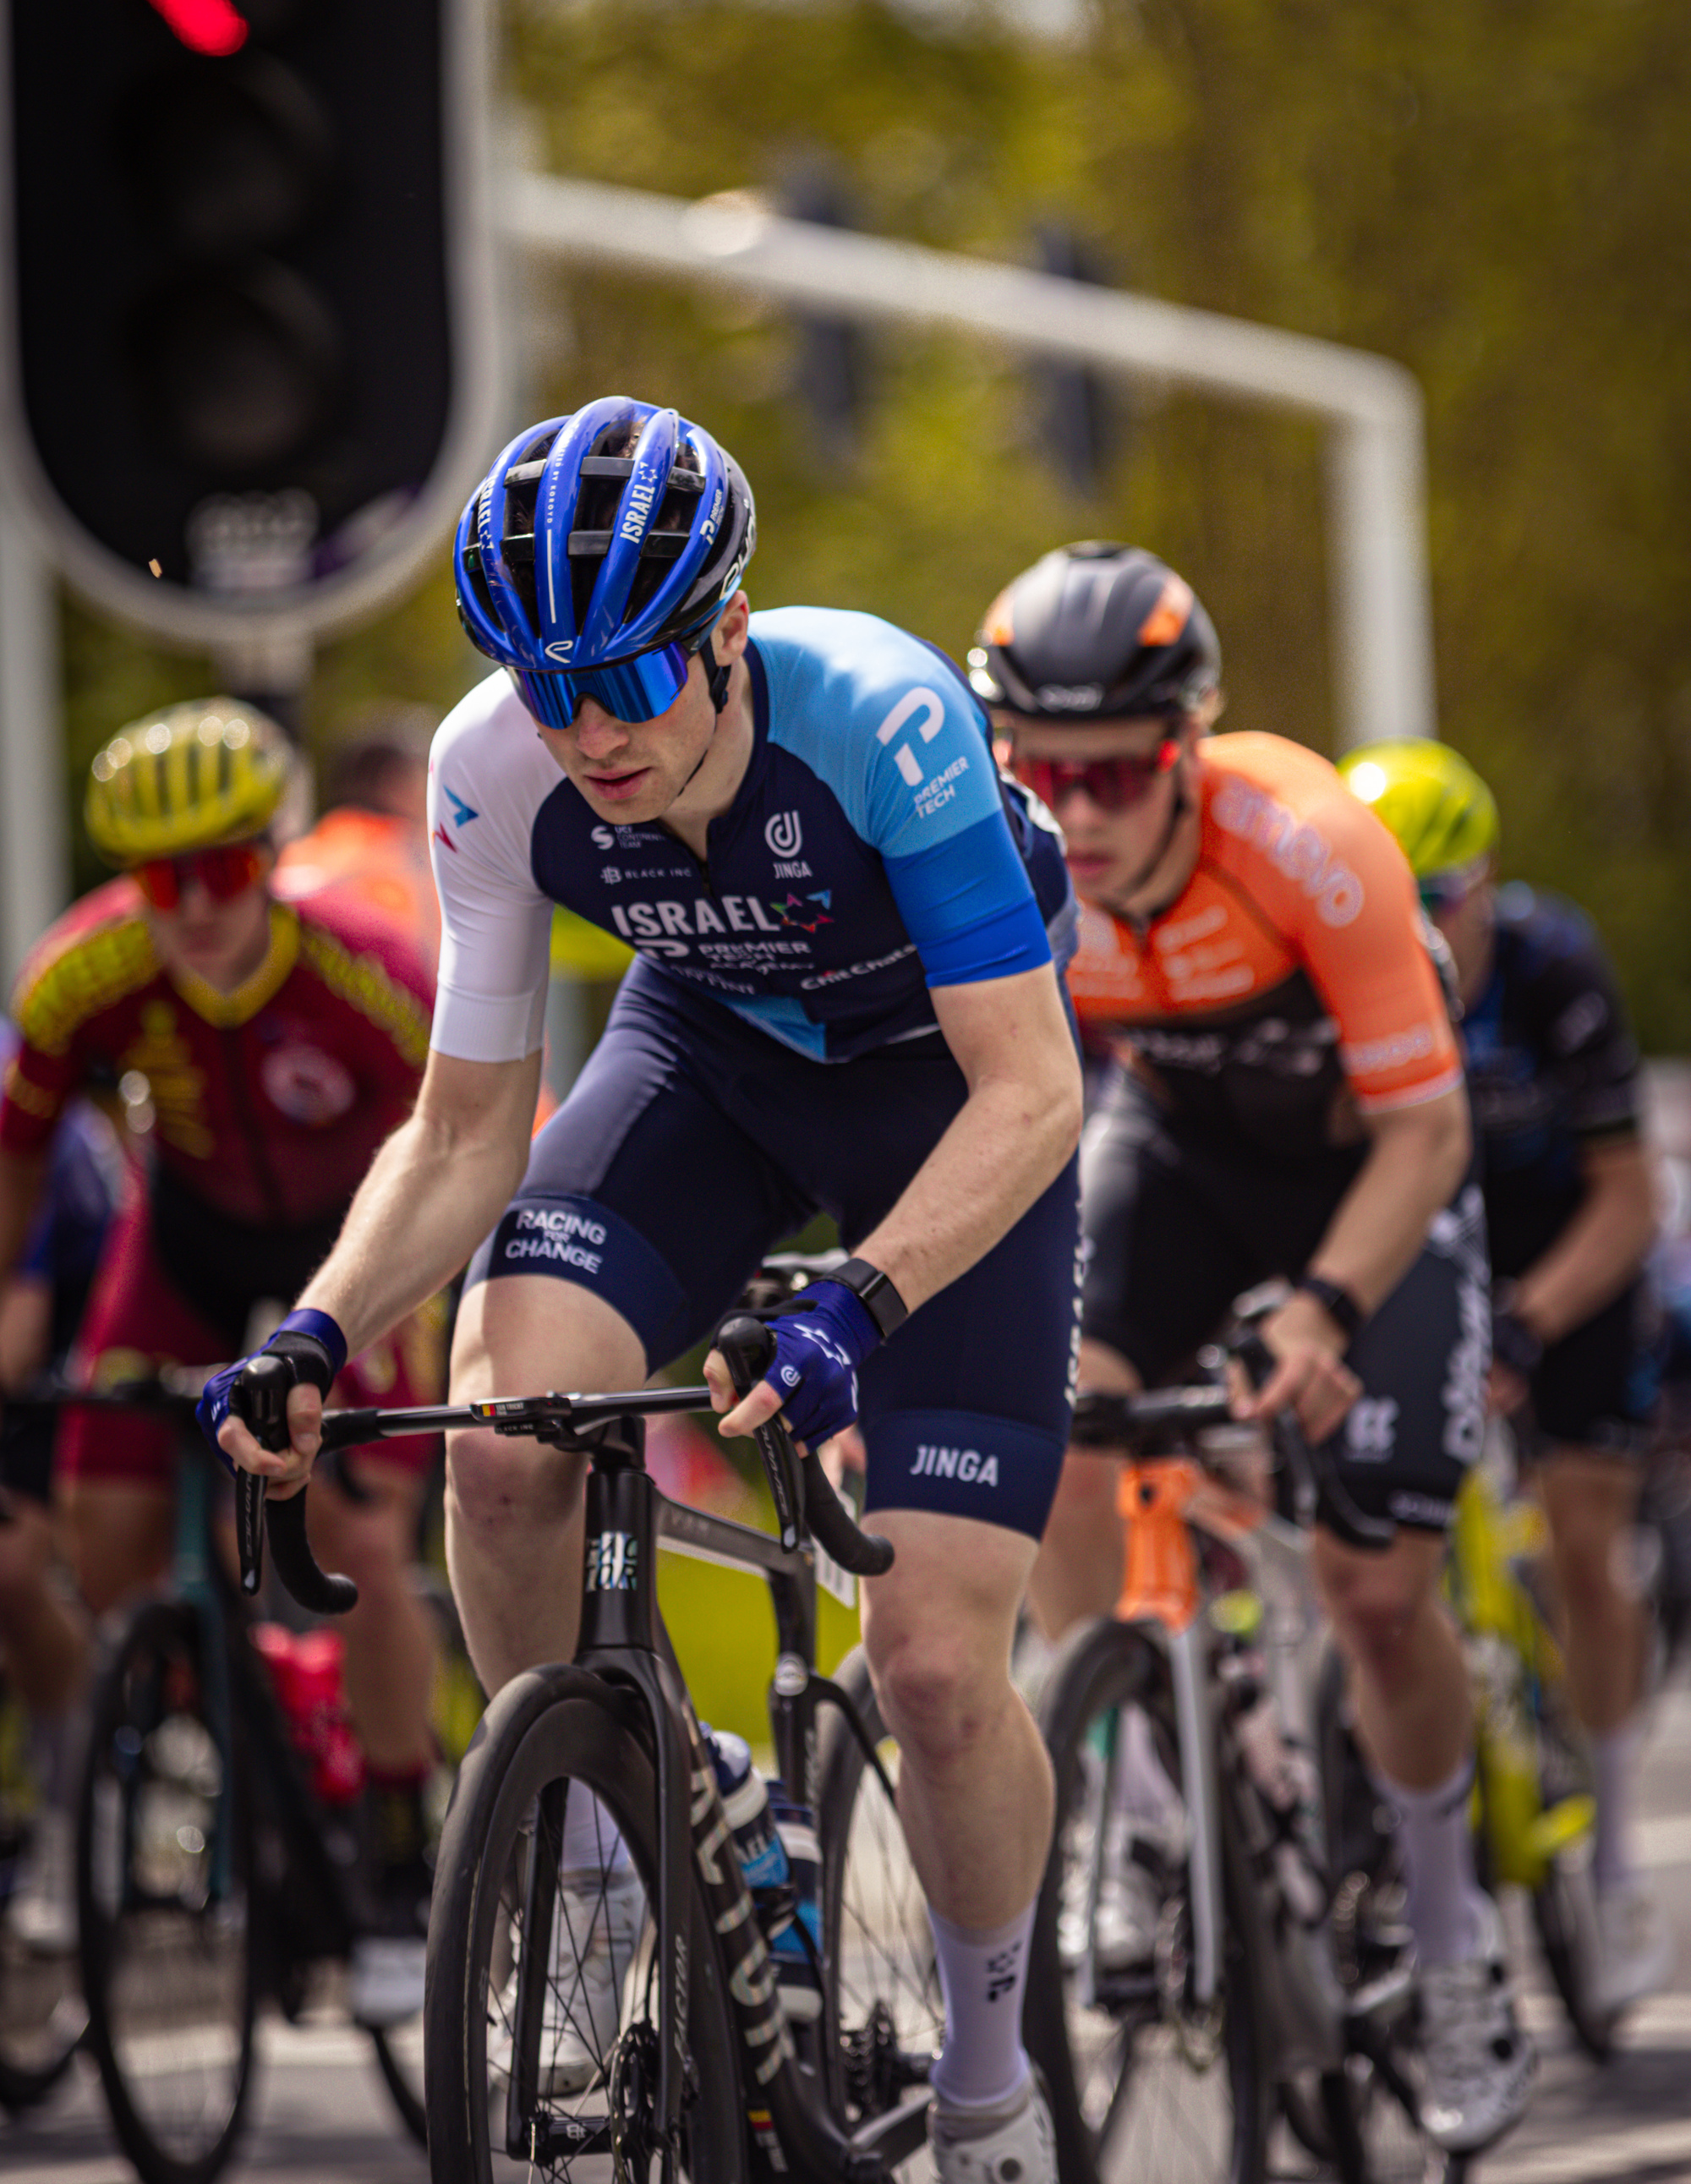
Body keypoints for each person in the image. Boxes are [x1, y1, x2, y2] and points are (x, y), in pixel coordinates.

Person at [209, 394, 1085, 2184]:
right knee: (505, 1446)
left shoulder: (880, 717)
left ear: (725, 635)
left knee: (926, 1662)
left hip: (946, 1081)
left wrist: (863, 1298)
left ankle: (992, 2085)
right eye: (546, 685)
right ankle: (591, 1868)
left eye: (623, 678)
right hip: (707, 1066)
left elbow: (1033, 1091)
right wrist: (310, 1324)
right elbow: (463, 1131)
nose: (586, 729)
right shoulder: (496, 766)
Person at [970, 540, 1533, 2158]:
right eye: (1037, 767)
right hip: (1184, 1153)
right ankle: (1148, 1825)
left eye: (1115, 773)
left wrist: (1332, 1308)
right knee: (1054, 1424)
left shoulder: (1306, 840)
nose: (1074, 811)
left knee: (1372, 1589)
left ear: (1189, 747)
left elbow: (1428, 1135)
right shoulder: (998, 854)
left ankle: (1447, 1941)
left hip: (1369, 1177)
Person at [0, 699, 444, 2017]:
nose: (194, 907)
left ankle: (403, 1848)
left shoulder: (369, 969)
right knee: (104, 1538)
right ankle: (217, 1708)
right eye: (161, 878)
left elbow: (458, 1150)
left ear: (275, 852)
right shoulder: (81, 975)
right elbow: (18, 1161)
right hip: (184, 1241)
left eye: (226, 870)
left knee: (365, 1546)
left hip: (356, 1245)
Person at [1339, 736, 1671, 2015]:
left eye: (1440, 901)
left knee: (1588, 1535)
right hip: (1423, 1247)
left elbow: (1632, 1196)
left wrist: (1528, 1321)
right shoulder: (1338, 970)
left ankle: (1617, 1830)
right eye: (1388, 901)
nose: (1418, 929)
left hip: (1565, 1252)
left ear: (1485, 888)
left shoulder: (1551, 966)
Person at [0, 1036, 123, 1946]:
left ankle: (82, 1812)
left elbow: (16, 1343)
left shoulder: (17, 1101)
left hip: (73, 1320)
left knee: (10, 1570)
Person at [276, 704, 441, 977]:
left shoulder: (308, 847)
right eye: (422, 774)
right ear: (392, 785)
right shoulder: (409, 853)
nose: (430, 787)